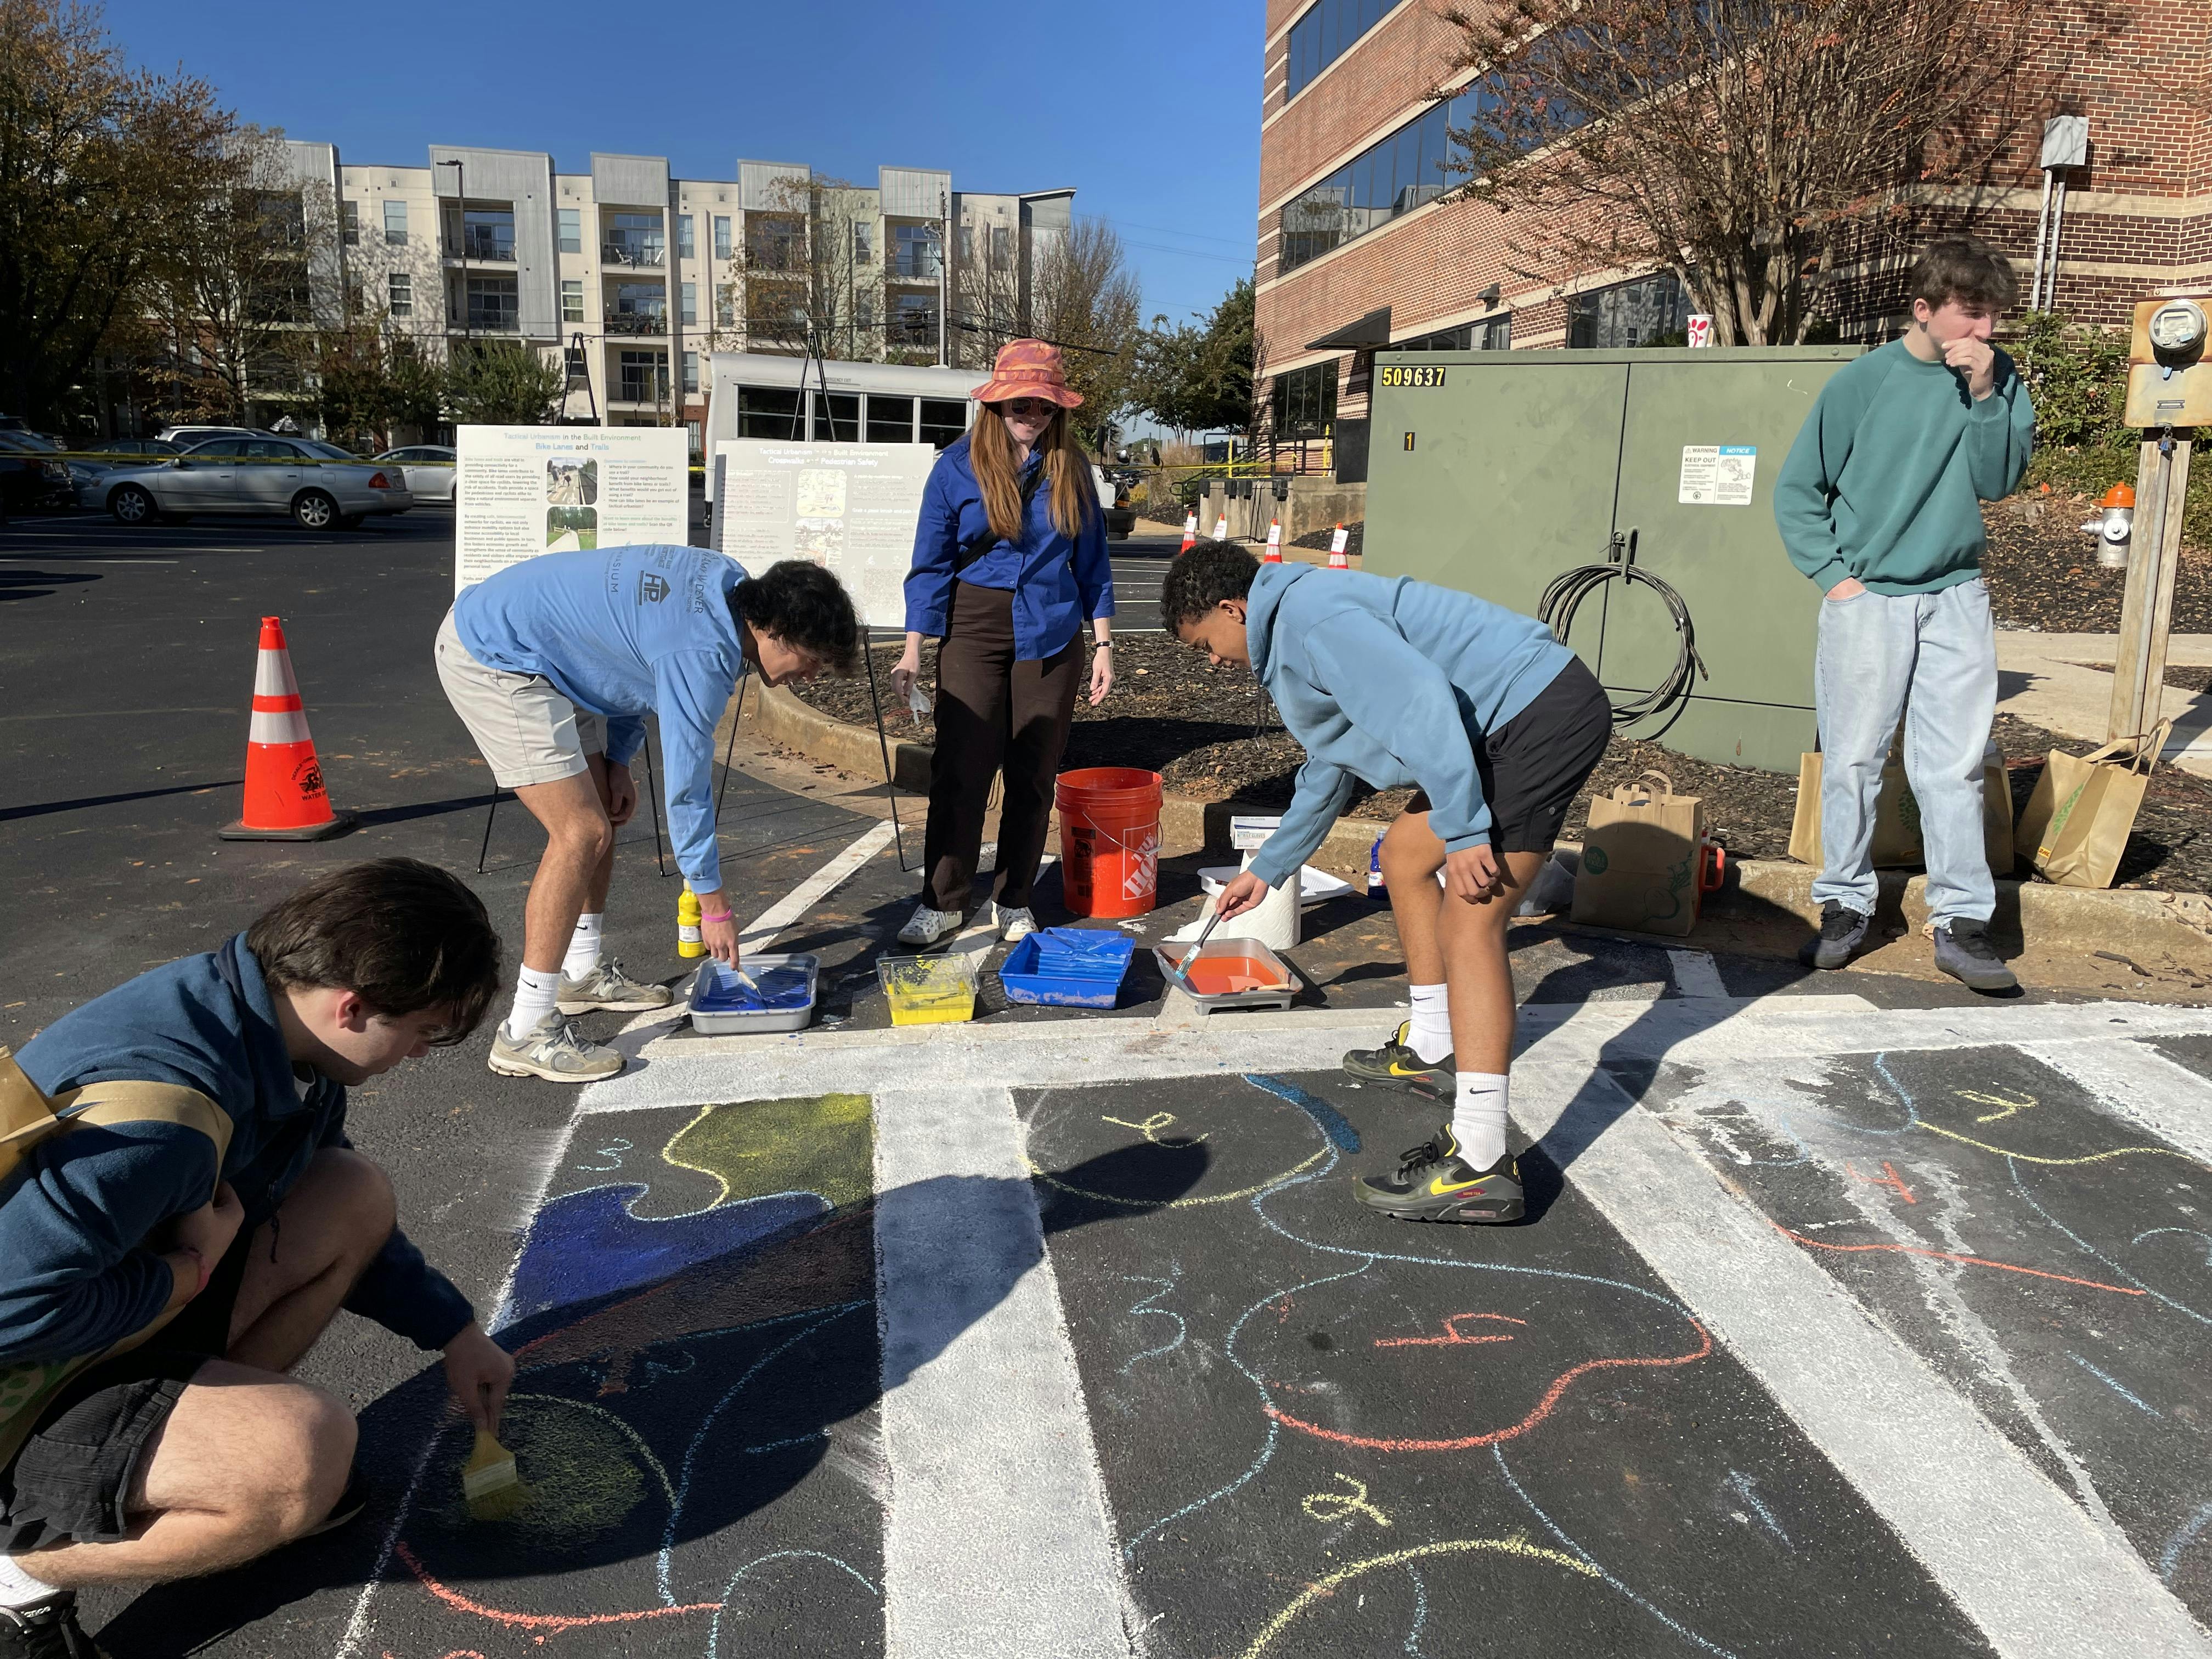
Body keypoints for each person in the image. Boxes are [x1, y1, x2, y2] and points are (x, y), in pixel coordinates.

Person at [0, 860, 510, 1658]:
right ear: (353, 1006)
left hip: (91, 1320)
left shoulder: (266, 1030)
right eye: (425, 1031)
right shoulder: (160, 1120)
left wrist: (454, 1331)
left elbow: (319, 1198)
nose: (416, 1054)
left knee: (348, 1191)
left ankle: (171, 1452)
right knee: (297, 1457)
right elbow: (7, 1307)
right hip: (20, 1375)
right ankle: (19, 1574)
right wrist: (181, 1277)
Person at [1162, 543, 1612, 1224]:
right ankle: (1433, 1047)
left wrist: (1464, 832)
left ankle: (1483, 1160)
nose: (1216, 662)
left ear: (1234, 608)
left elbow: (1423, 702)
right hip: (1495, 726)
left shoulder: (1313, 621)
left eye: (1207, 645)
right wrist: (1267, 868)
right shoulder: (1292, 631)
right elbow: (1329, 766)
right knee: (1403, 854)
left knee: (1473, 918)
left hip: (1537, 714)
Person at [437, 545, 858, 1082]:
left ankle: (581, 970)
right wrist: (713, 902)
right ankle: (526, 1029)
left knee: (603, 813)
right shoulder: (704, 651)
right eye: (814, 661)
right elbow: (686, 788)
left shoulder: (726, 587)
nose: (812, 677)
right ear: (778, 632)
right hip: (495, 651)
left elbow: (636, 665)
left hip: (554, 653)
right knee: (579, 832)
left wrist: (617, 760)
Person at [1775, 238, 2036, 992]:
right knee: (1853, 760)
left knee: (1954, 766)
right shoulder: (1863, 382)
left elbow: (1998, 480)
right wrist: (1834, 579)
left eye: (1993, 315)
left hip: (1957, 593)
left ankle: (1961, 924)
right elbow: (1799, 490)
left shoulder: (1997, 378)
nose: (1986, 330)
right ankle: (1845, 907)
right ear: (1924, 310)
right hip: (1869, 598)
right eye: (1972, 314)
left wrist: (1987, 398)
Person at [889, 340, 1116, 946]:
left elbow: (1093, 563)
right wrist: (914, 646)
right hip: (974, 624)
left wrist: (1104, 646)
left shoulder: (1073, 468)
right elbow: (930, 565)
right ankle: (942, 900)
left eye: (1043, 407)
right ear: (996, 403)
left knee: (1034, 773)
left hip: (1052, 626)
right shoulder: (956, 467)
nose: (1032, 415)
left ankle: (1014, 898)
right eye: (1021, 403)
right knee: (960, 768)